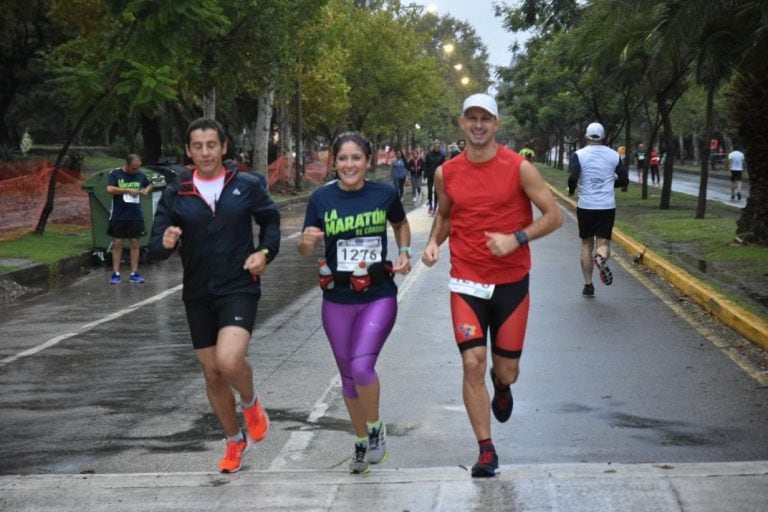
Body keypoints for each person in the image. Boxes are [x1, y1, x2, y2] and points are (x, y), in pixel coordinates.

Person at [420, 93, 563, 478]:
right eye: (472, 118)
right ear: (462, 123)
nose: (478, 125)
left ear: (496, 124)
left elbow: (555, 217)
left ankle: (502, 385)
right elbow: (446, 216)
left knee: (507, 370)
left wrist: (516, 238)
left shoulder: (519, 169)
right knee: (471, 362)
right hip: (466, 282)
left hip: (511, 283)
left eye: (485, 118)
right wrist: (434, 242)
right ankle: (486, 449)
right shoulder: (446, 172)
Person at [148, 117, 281, 474]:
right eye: (198, 146)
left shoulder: (247, 185)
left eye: (211, 145)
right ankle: (234, 441)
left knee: (229, 360)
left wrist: (264, 253)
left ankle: (251, 404)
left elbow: (271, 221)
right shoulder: (177, 192)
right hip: (198, 293)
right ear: (189, 152)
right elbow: (154, 246)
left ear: (224, 147)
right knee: (212, 375)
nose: (205, 152)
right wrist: (164, 244)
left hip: (239, 286)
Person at [298, 132, 412, 475]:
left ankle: (375, 429)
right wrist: (306, 242)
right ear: (334, 162)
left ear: (368, 161)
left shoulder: (384, 193)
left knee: (362, 367)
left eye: (356, 158)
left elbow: (401, 224)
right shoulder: (320, 199)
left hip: (378, 294)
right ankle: (361, 441)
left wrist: (404, 250)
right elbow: (306, 250)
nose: (349, 165)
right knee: (348, 378)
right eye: (343, 158)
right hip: (337, 298)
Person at [567, 122, 629, 298]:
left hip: (586, 205)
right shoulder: (613, 156)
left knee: (586, 244)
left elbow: (573, 177)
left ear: (586, 136)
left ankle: (588, 285)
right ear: (603, 137)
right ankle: (601, 257)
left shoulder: (579, 155)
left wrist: (571, 190)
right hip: (606, 206)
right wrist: (609, 183)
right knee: (603, 243)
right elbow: (624, 180)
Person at [106, 154, 152, 284]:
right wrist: (126, 190)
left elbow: (149, 185)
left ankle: (134, 273)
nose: (135, 171)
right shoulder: (115, 174)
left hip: (135, 214)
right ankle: (115, 273)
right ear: (127, 165)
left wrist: (145, 190)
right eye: (133, 168)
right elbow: (109, 189)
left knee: (134, 242)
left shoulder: (140, 175)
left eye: (137, 168)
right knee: (117, 243)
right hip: (119, 215)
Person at [424, 139, 445, 215]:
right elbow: (426, 165)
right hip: (430, 175)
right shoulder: (429, 155)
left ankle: (435, 207)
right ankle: (430, 206)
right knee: (430, 191)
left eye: (438, 146)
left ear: (439, 147)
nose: (437, 147)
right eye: (435, 145)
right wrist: (425, 174)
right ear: (433, 146)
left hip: (438, 176)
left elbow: (443, 166)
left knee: (436, 192)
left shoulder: (442, 155)